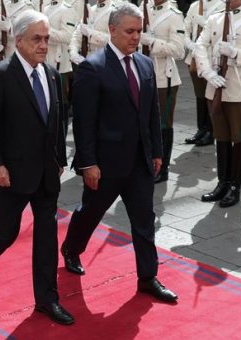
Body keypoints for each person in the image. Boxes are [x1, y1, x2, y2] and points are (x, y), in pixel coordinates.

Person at [61, 3, 178, 303]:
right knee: (90, 213)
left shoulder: (145, 64)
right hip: (106, 164)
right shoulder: (93, 67)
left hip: (139, 161)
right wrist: (88, 163)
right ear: (112, 30)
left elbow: (152, 112)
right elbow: (84, 122)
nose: (135, 37)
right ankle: (71, 248)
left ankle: (148, 277)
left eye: (139, 31)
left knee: (144, 219)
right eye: (129, 31)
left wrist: (156, 152)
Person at [0, 10, 72, 325]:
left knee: (46, 237)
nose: (44, 45)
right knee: (6, 232)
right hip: (10, 175)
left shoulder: (53, 75)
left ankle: (47, 299)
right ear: (19, 41)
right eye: (37, 39)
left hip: (46, 173)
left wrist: (60, 159)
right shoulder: (0, 75)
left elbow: (58, 121)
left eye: (46, 39)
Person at [194, 0, 241, 208]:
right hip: (214, 86)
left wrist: (235, 53)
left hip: (238, 89)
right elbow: (201, 45)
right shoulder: (215, 18)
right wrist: (206, 71)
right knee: (221, 137)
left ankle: (235, 186)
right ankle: (222, 182)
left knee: (239, 137)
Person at [140, 0, 185, 183]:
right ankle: (146, 162)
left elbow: (178, 50)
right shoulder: (142, 10)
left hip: (163, 77)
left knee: (162, 124)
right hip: (141, 74)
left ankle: (163, 167)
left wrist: (152, 42)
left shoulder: (174, 15)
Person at [183, 0, 223, 147]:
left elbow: (220, 33)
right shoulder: (195, 6)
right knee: (199, 94)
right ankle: (201, 129)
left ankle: (211, 131)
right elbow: (185, 30)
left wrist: (205, 21)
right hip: (194, 57)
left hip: (211, 59)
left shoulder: (223, 6)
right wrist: (191, 45)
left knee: (210, 95)